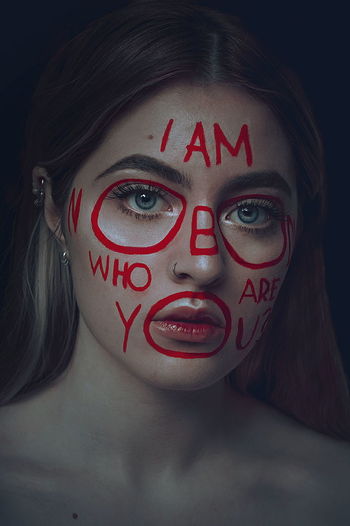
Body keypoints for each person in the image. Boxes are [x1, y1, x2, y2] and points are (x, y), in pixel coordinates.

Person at [0, 1, 349, 524]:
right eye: (143, 198)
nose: (203, 263)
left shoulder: (334, 496)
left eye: (250, 211)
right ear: (54, 206)